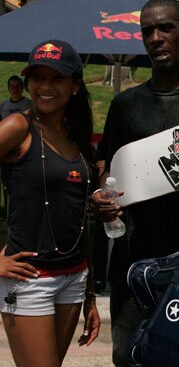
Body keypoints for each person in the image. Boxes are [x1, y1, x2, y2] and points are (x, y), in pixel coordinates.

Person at [91, 0, 179, 366]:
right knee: (129, 358)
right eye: (147, 31)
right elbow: (109, 170)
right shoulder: (126, 106)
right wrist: (104, 201)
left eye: (165, 28)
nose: (155, 38)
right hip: (132, 266)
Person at [0, 39, 100, 366]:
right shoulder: (18, 127)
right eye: (37, 77)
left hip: (73, 277)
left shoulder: (78, 139)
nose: (44, 86)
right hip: (30, 280)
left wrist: (89, 296)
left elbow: (78, 218)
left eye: (56, 78)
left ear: (75, 86)